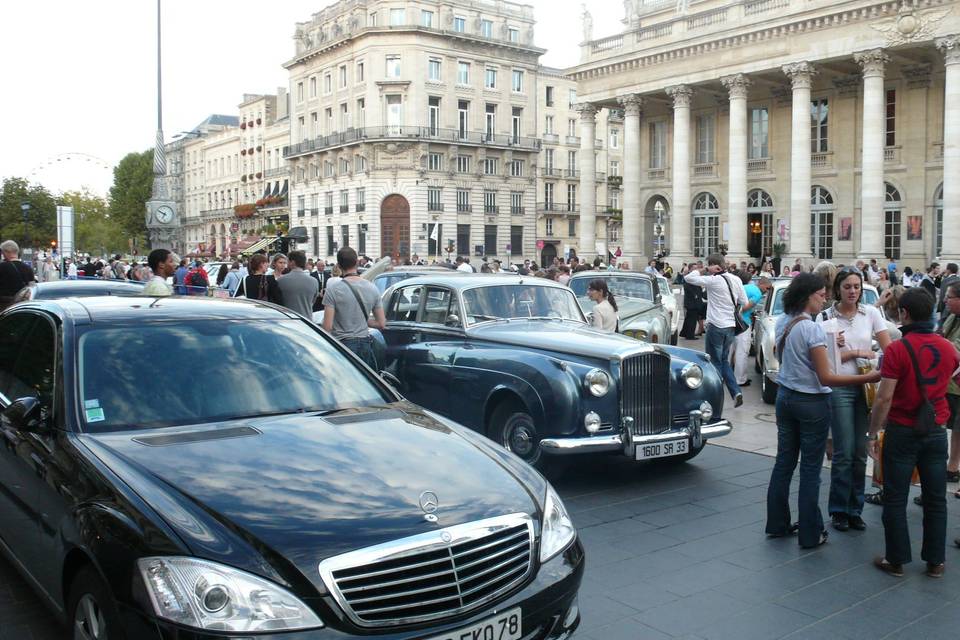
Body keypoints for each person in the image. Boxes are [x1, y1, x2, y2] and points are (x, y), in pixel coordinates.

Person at [765, 273, 882, 548]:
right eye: (820, 294)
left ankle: (778, 523)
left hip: (785, 397)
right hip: (811, 402)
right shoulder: (812, 328)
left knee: (784, 463)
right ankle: (810, 532)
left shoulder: (784, 321)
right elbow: (827, 377)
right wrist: (867, 378)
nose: (824, 299)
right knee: (810, 469)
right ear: (808, 296)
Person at [868, 288, 960, 577]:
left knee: (895, 496)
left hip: (902, 430)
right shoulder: (948, 347)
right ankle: (936, 562)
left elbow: (883, 398)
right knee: (936, 498)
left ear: (905, 313)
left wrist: (872, 434)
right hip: (935, 431)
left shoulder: (897, 349)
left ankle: (896, 560)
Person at [816, 267, 891, 532]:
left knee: (861, 452)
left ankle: (855, 508)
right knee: (844, 452)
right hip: (840, 387)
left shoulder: (870, 313)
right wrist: (842, 349)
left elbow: (888, 348)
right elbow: (821, 359)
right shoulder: (825, 317)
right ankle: (839, 509)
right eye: (847, 286)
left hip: (866, 387)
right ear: (838, 289)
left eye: (857, 287)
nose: (853, 292)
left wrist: (882, 366)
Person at [682, 254, 749, 407]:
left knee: (714, 362)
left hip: (716, 325)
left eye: (709, 265)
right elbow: (744, 302)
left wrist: (704, 269)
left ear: (714, 265)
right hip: (731, 326)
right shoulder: (736, 279)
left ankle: (714, 396)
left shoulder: (713, 280)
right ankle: (735, 392)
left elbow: (688, 278)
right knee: (723, 360)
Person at [322, 247, 386, 369]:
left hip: (343, 345)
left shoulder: (333, 289)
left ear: (339, 265)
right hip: (365, 343)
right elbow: (381, 323)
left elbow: (327, 327)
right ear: (357, 262)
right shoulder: (372, 288)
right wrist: (362, 320)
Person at [731, 272, 767, 387]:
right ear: (761, 284)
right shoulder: (757, 294)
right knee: (742, 351)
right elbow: (746, 307)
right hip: (743, 324)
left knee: (729, 350)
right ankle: (740, 379)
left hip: (730, 322)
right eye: (767, 287)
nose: (767, 290)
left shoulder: (747, 287)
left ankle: (723, 376)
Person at [941, 282, 960, 490]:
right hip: (949, 384)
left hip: (956, 383)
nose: (945, 300)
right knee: (954, 427)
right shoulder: (953, 317)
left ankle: (953, 467)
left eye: (950, 296)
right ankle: (952, 467)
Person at [276, 250, 319, 318]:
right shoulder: (314, 281)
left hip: (288, 320)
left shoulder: (281, 280)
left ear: (292, 262)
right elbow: (313, 301)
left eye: (288, 261)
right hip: (307, 320)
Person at [0, 240, 37, 310]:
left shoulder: (1, 267)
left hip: (4, 306)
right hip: (22, 306)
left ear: (6, 252)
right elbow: (32, 287)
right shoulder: (28, 268)